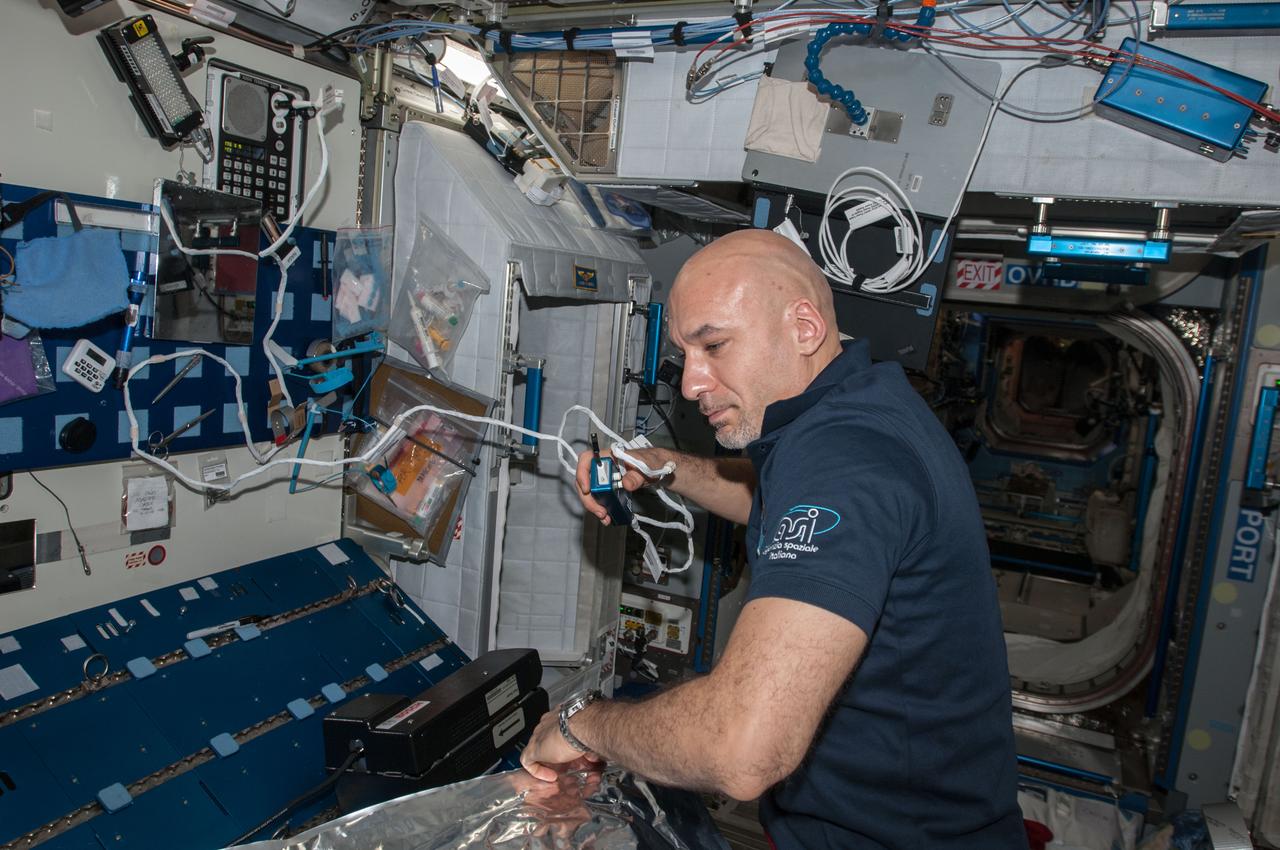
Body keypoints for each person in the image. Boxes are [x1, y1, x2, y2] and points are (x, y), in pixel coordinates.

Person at [520, 229, 1027, 850]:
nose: (691, 383)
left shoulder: (845, 463)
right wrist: (664, 466)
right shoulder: (855, 409)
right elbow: (774, 503)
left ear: (805, 327)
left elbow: (742, 751)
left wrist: (581, 725)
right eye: (687, 354)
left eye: (715, 345)